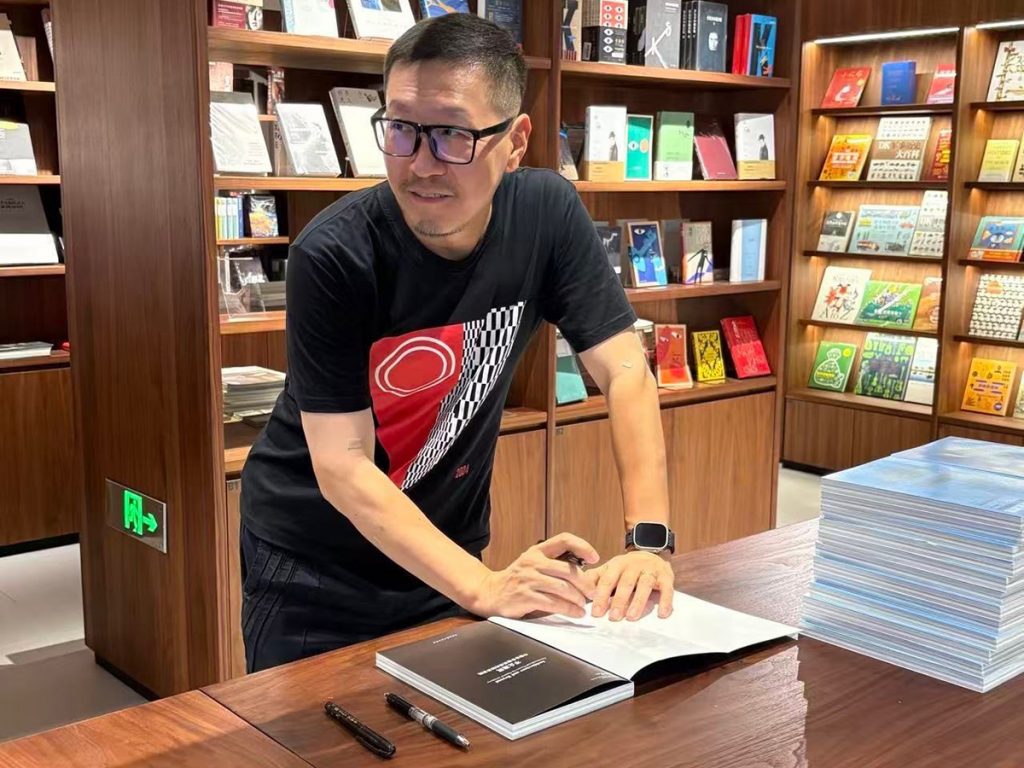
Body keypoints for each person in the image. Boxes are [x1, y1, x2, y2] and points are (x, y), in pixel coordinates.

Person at [239, 13, 676, 673]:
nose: (420, 165)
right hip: (315, 565)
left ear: (516, 140)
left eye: (450, 135)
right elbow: (343, 465)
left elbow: (624, 373)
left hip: (446, 546)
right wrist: (484, 585)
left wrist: (648, 543)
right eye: (401, 130)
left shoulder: (547, 215)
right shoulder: (333, 254)